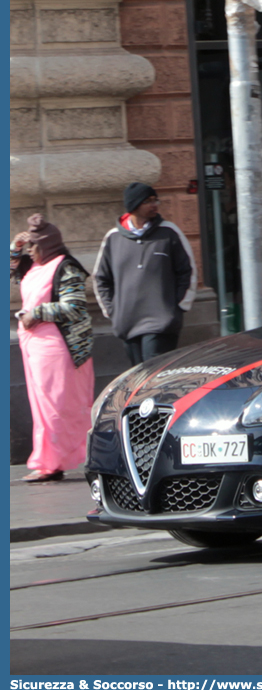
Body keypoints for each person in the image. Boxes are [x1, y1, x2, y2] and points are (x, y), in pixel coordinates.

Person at [11, 215, 95, 483]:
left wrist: (36, 312)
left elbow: (74, 306)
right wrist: (15, 247)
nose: (30, 252)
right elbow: (13, 272)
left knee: (58, 406)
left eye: (33, 246)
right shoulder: (35, 266)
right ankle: (49, 462)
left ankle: (54, 463)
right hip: (36, 348)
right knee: (43, 407)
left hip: (58, 348)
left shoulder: (65, 267)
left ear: (47, 246)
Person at [94, 183, 197, 366]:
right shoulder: (113, 237)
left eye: (154, 200)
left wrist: (176, 308)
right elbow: (101, 278)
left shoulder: (169, 232)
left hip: (161, 322)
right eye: (147, 201)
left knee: (155, 374)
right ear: (134, 205)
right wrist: (113, 311)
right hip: (128, 321)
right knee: (138, 377)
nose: (154, 205)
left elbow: (187, 271)